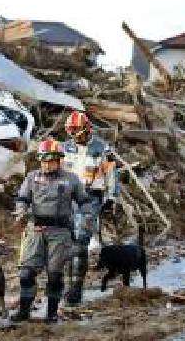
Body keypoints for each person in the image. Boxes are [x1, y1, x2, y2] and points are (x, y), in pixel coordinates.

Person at [11, 138, 93, 323]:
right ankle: (24, 311)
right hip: (36, 230)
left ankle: (52, 313)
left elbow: (85, 202)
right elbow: (22, 199)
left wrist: (87, 219)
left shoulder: (71, 179)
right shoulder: (32, 177)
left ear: (59, 160)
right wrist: (21, 212)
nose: (47, 165)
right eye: (44, 161)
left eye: (51, 160)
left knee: (55, 274)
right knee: (26, 273)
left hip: (60, 232)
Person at [62, 111, 119, 305]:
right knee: (67, 245)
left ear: (85, 128)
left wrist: (111, 198)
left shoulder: (102, 149)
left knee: (79, 244)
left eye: (76, 130)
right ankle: (68, 287)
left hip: (90, 198)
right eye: (70, 130)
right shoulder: (64, 148)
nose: (73, 134)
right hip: (67, 200)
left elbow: (112, 174)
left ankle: (76, 290)